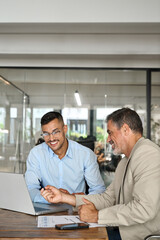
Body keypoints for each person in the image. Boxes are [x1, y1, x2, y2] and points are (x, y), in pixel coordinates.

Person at [41, 108, 160, 240]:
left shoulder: (148, 154)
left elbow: (144, 209)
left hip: (139, 236)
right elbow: (108, 199)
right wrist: (64, 197)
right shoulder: (125, 161)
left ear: (125, 129)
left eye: (110, 133)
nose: (108, 139)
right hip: (121, 230)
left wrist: (97, 216)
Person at [25, 111, 105, 203]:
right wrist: (48, 198)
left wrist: (70, 198)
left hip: (76, 208)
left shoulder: (85, 154)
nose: (51, 138)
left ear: (65, 129)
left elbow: (98, 189)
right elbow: (30, 188)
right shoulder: (36, 154)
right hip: (47, 207)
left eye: (56, 132)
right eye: (46, 134)